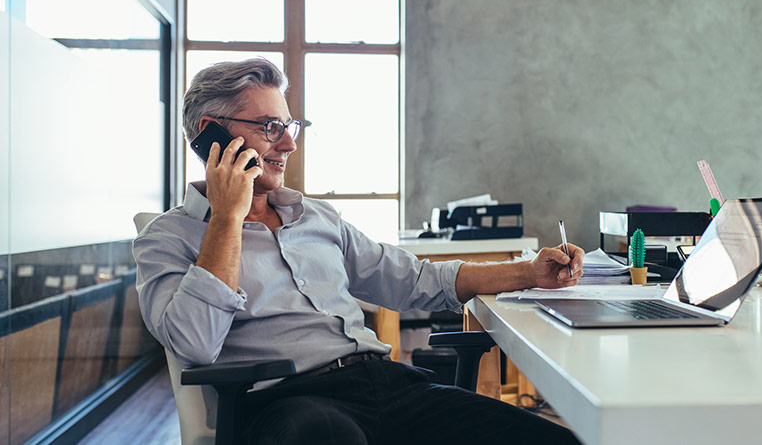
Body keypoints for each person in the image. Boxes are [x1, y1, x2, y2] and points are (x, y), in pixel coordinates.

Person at [134, 57, 585, 445]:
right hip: (288, 403)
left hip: (388, 385)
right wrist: (228, 218)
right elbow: (194, 342)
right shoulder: (167, 238)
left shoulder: (316, 218)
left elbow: (418, 280)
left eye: (289, 127)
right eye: (271, 128)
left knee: (554, 440)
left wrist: (531, 272)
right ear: (210, 135)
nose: (289, 143)